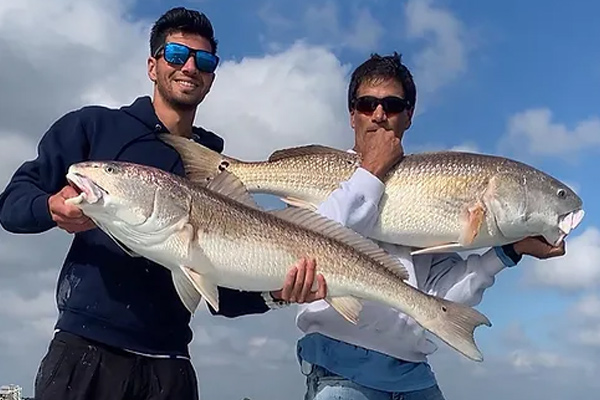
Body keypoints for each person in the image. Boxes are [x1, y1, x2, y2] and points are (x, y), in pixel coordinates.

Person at [0, 7, 325, 400]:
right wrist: (49, 206)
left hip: (170, 365)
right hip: (85, 354)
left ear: (211, 78)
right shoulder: (95, 127)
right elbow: (13, 202)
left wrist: (278, 294)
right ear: (152, 66)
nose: (189, 66)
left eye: (203, 60)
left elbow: (223, 291)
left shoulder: (216, 170)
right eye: (176, 56)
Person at [290, 52, 566, 400]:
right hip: (340, 372)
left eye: (392, 105)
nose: (379, 115)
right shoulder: (322, 180)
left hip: (414, 375)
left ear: (408, 115)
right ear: (352, 115)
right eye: (367, 104)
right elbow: (307, 241)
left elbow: (441, 299)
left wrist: (509, 251)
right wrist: (370, 173)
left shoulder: (427, 191)